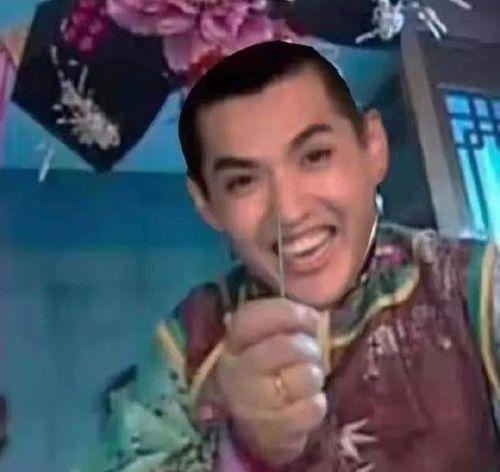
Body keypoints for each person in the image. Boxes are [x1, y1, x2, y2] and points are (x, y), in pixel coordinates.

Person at [80, 41, 500, 472]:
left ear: (372, 148)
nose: (290, 213)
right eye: (242, 182)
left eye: (315, 156)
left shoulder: (473, 286)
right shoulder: (190, 340)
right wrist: (242, 452)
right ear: (207, 204)